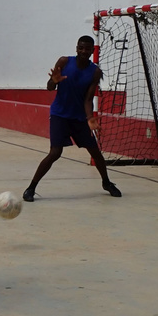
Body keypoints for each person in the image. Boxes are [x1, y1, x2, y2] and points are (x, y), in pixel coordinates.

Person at [22, 35, 122, 201]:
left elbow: (88, 99)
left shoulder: (95, 72)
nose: (83, 51)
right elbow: (49, 87)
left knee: (96, 152)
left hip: (79, 118)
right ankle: (31, 188)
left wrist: (90, 118)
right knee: (55, 153)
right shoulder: (64, 62)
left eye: (87, 48)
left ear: (92, 50)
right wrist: (53, 81)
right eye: (80, 48)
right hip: (60, 115)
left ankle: (106, 182)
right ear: (76, 48)